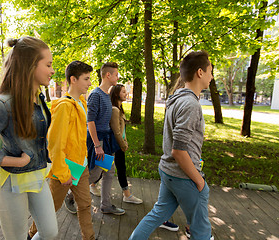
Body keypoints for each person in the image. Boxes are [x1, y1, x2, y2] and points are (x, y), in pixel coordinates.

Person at [0, 36, 58, 240]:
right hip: (9, 183)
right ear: (30, 65)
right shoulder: (2, 105)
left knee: (50, 232)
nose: (52, 70)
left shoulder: (39, 98)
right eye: (48, 64)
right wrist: (17, 161)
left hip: (37, 176)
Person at [129, 50, 214, 240]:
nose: (212, 76)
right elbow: (179, 150)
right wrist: (200, 182)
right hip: (184, 177)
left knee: (157, 215)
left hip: (168, 172)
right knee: (201, 231)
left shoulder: (177, 99)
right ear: (200, 72)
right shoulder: (191, 104)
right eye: (210, 71)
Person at [28, 61, 95, 240]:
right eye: (86, 79)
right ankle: (31, 234)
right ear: (73, 79)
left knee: (85, 204)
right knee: (51, 207)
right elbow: (56, 144)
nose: (90, 83)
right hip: (65, 168)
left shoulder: (81, 102)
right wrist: (62, 172)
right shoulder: (65, 106)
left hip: (81, 166)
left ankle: (89, 238)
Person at [109, 84, 179, 232]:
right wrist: (122, 144)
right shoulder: (114, 109)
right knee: (103, 170)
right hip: (115, 146)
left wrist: (125, 141)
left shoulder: (119, 109)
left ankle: (125, 193)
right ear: (116, 94)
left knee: (119, 168)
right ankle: (91, 186)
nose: (126, 93)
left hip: (120, 145)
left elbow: (122, 130)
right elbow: (116, 131)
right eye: (123, 91)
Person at [65, 62, 125, 215]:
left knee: (109, 170)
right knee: (93, 173)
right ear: (108, 75)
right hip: (96, 141)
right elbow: (89, 121)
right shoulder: (96, 94)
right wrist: (98, 145)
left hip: (105, 141)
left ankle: (105, 205)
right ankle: (69, 196)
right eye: (116, 74)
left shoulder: (106, 95)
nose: (118, 77)